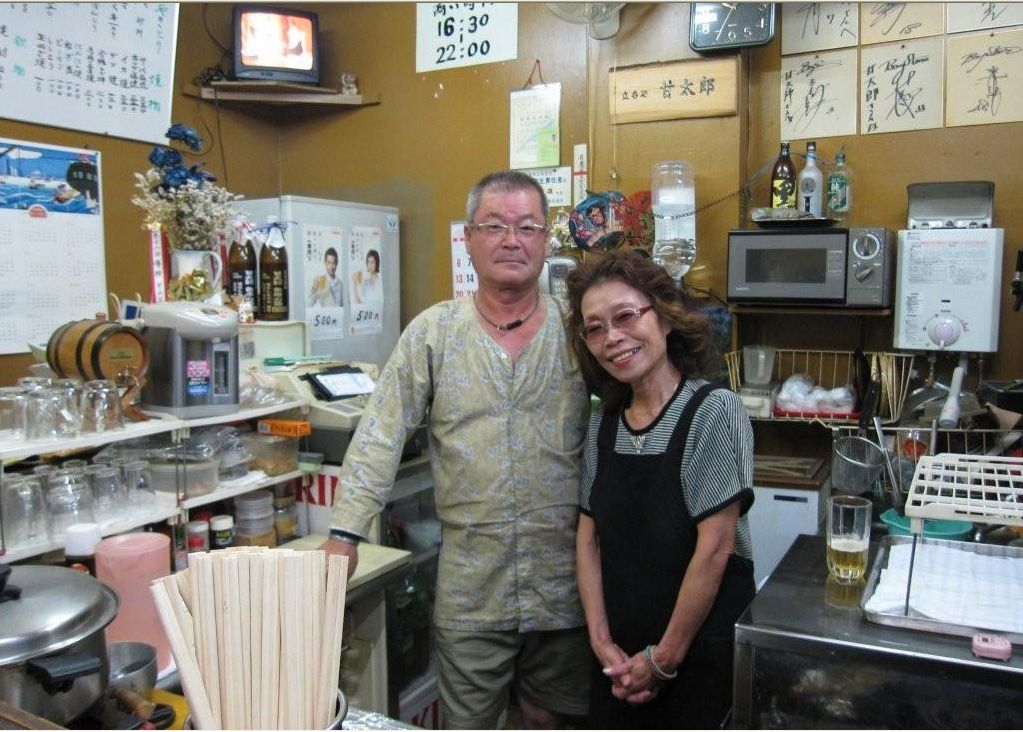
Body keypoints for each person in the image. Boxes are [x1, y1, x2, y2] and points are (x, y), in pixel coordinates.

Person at [323, 170, 591, 729]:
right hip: (472, 588)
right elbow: (380, 433)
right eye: (494, 226)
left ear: (547, 240)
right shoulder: (434, 333)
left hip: (568, 583)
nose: (511, 240)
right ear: (468, 238)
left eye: (527, 227)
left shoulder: (579, 328)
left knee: (556, 719)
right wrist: (344, 533)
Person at [564, 249, 756, 729]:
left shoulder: (713, 411)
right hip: (618, 664)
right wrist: (601, 641)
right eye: (595, 328)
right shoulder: (603, 423)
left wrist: (662, 660)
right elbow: (588, 538)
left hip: (694, 662)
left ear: (666, 317)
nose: (613, 337)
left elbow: (715, 549)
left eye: (626, 316)